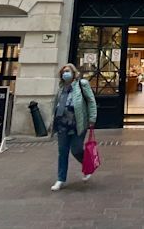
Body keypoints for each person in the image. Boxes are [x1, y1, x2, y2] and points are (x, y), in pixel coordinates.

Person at [49, 63, 98, 191]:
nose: (65, 74)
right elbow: (56, 105)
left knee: (76, 149)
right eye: (63, 72)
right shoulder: (61, 88)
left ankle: (88, 166)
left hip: (78, 123)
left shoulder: (82, 84)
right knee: (62, 152)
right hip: (62, 124)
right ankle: (60, 179)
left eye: (68, 71)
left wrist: (92, 118)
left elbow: (91, 101)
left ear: (73, 73)